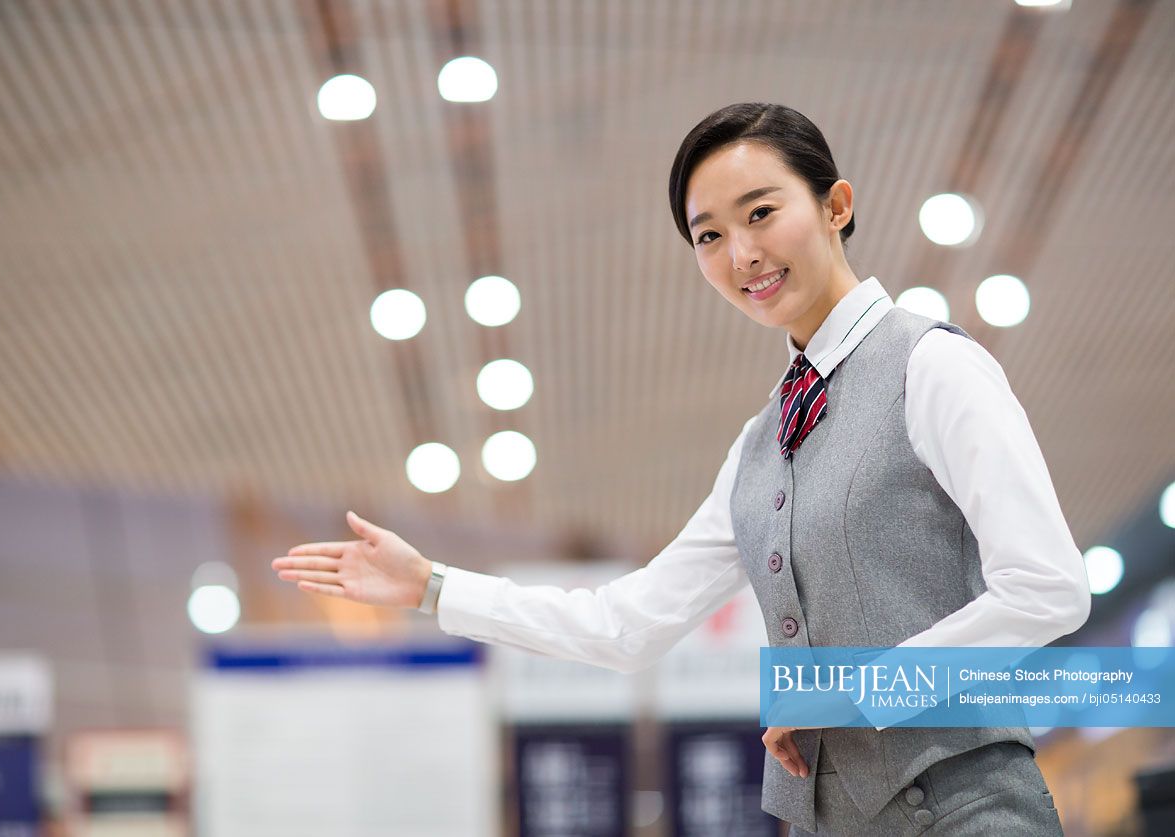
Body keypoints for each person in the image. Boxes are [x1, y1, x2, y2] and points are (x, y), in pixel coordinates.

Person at [271, 102, 1090, 835]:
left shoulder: (932, 366)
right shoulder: (759, 443)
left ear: (835, 205)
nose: (741, 253)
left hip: (968, 812)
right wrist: (433, 586)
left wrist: (853, 695)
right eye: (708, 235)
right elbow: (627, 625)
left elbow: (1047, 586)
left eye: (761, 212)